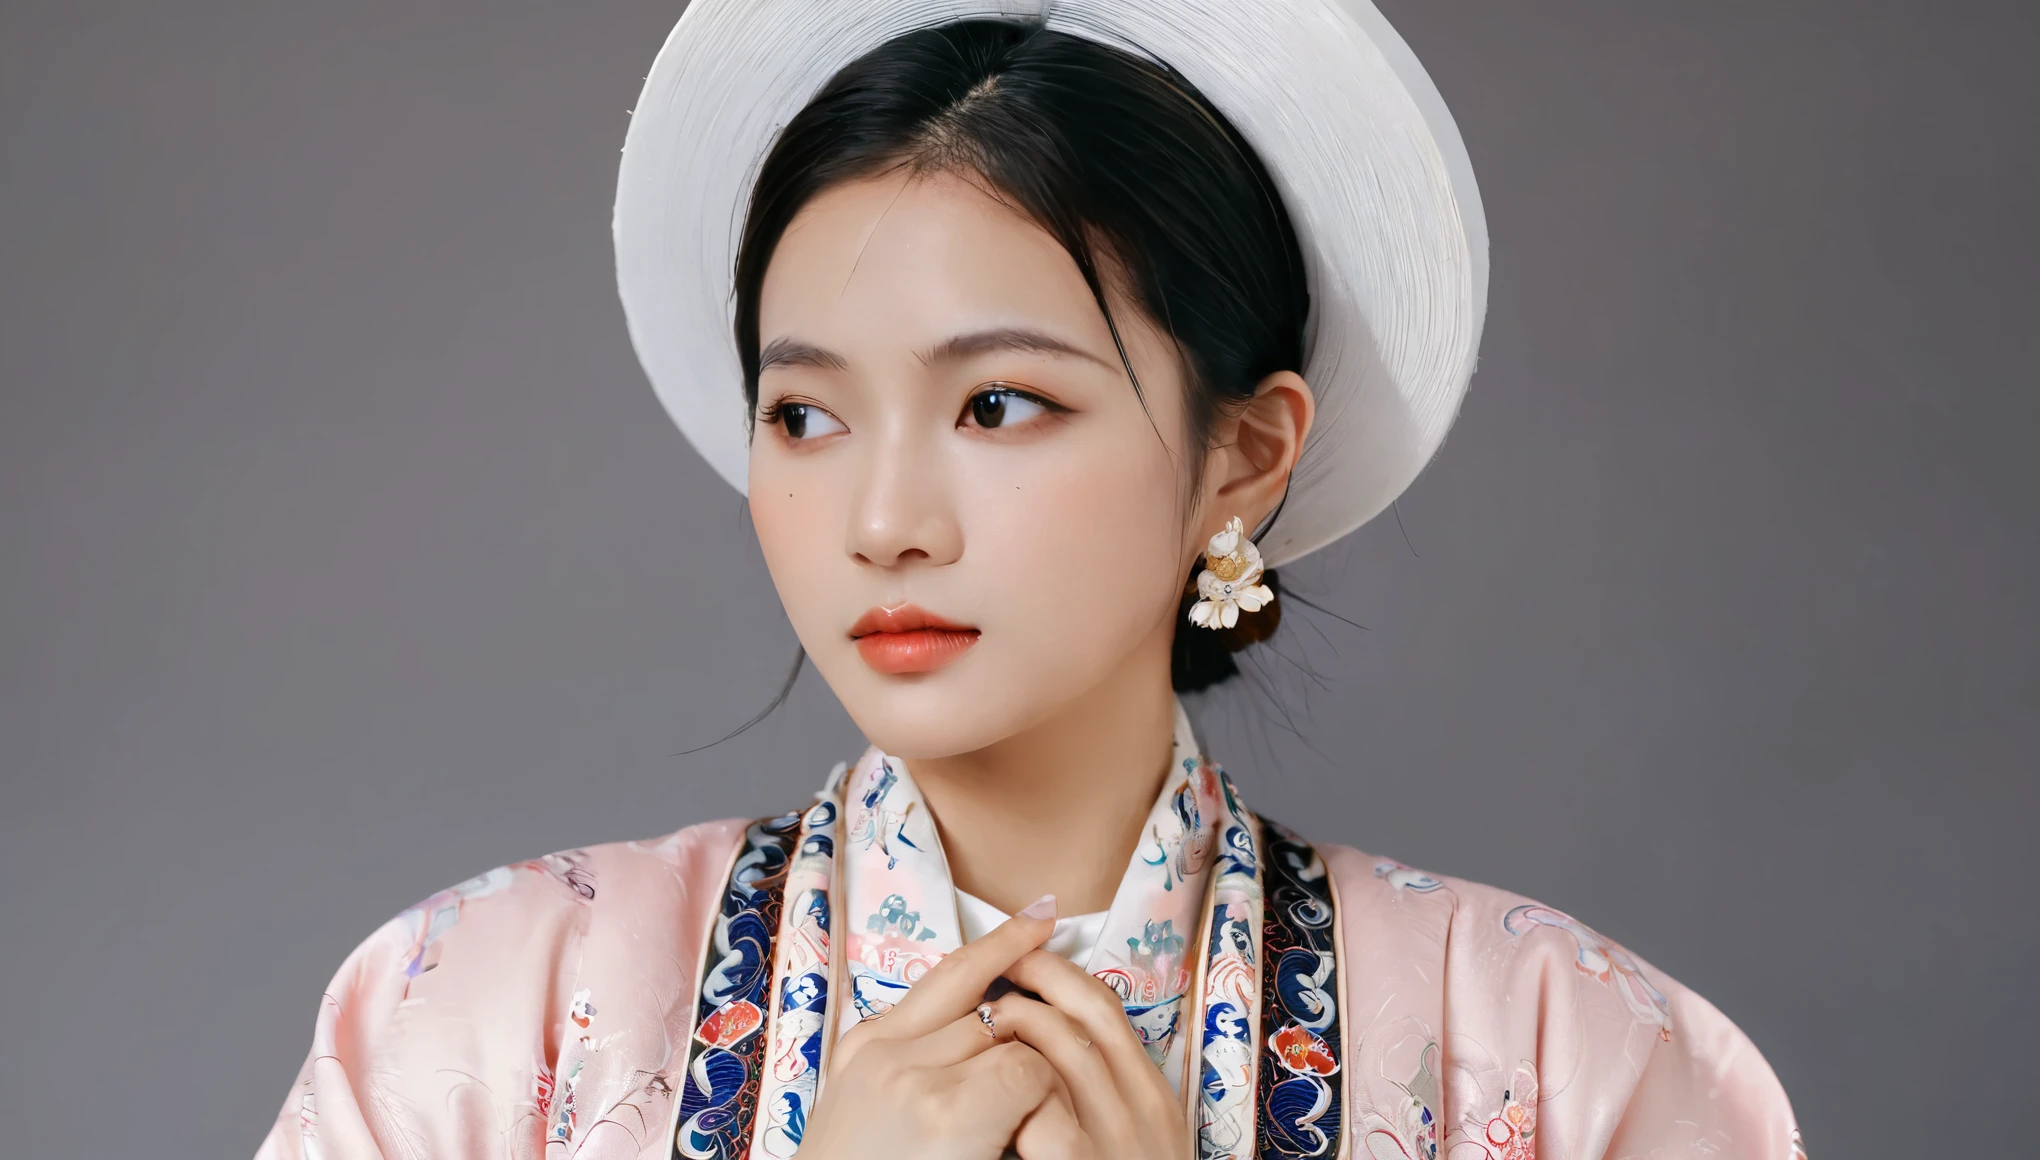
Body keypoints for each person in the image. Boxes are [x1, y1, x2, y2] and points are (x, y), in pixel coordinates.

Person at [257, 4, 1802, 1159]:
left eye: (999, 404)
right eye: (806, 415)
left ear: (1245, 454)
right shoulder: (475, 1022)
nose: (883, 518)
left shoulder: (1562, 1061)